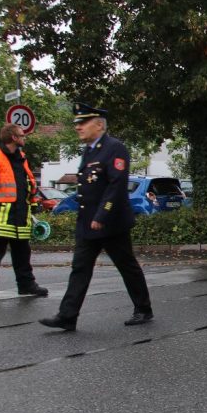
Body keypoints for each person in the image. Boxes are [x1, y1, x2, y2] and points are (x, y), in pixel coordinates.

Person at [39, 103, 153, 330]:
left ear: (99, 124)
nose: (78, 127)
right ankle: (67, 316)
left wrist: (102, 214)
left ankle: (143, 308)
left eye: (83, 123)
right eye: (77, 123)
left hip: (111, 223)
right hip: (87, 222)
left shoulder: (115, 148)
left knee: (126, 265)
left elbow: (116, 184)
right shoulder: (90, 151)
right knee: (80, 268)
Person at [0, 123, 49, 303]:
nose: (24, 138)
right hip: (0, 216)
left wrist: (32, 203)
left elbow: (25, 185)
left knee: (23, 253)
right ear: (13, 137)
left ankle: (26, 285)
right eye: (22, 135)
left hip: (20, 216)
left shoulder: (20, 158)